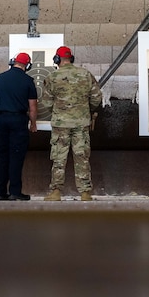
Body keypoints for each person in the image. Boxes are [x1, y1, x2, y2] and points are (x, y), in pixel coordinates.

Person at [38, 45, 102, 201]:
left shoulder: (52, 77)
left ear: (57, 59)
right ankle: (85, 192)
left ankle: (56, 192)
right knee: (82, 157)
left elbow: (46, 103)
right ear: (71, 58)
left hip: (61, 124)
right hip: (81, 123)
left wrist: (60, 108)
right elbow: (96, 97)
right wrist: (87, 109)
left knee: (59, 158)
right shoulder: (85, 74)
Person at [0, 52, 38, 201]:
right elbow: (32, 107)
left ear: (13, 62)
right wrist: (33, 123)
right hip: (18, 120)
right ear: (27, 65)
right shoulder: (28, 81)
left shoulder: (0, 78)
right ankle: (15, 192)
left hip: (2, 119)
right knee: (16, 156)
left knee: (2, 156)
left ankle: (0, 192)